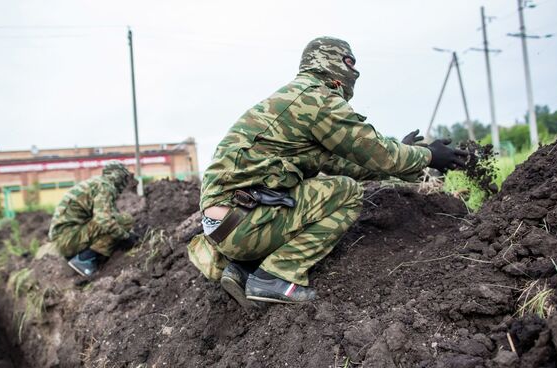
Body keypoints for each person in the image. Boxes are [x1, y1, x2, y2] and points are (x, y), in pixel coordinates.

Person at [187, 36, 467, 307]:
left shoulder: (296, 98)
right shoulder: (318, 99)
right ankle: (274, 276)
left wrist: (406, 163)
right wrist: (430, 156)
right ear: (333, 63)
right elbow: (378, 153)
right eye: (349, 63)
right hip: (244, 224)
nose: (354, 72)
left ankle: (244, 267)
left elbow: (347, 163)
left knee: (324, 186)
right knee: (346, 193)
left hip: (224, 228)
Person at [49, 161, 139, 277]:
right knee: (125, 220)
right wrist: (126, 237)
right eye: (124, 177)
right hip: (68, 240)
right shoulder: (105, 186)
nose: (125, 181)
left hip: (65, 240)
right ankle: (85, 259)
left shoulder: (96, 183)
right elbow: (104, 220)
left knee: (117, 221)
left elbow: (109, 213)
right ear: (116, 175)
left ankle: (83, 256)